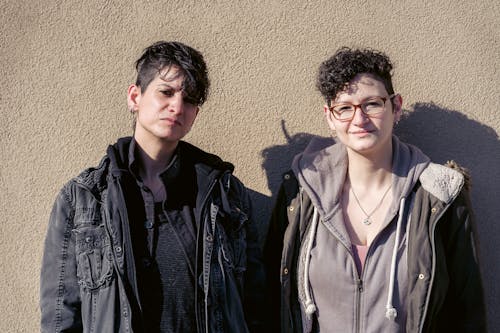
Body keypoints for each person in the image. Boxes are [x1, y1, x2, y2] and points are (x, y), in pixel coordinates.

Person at [40, 41, 265, 332]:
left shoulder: (224, 195)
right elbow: (61, 314)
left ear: (195, 114)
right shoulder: (83, 199)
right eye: (166, 92)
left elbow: (256, 306)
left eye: (189, 99)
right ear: (135, 97)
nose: (177, 106)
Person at [264, 48, 486, 332]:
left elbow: (468, 312)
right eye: (344, 108)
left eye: (372, 104)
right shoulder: (300, 192)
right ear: (329, 117)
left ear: (396, 107)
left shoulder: (439, 195)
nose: (359, 119)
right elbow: (271, 298)